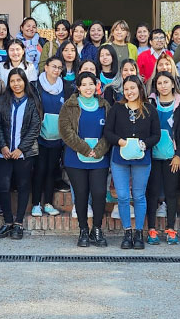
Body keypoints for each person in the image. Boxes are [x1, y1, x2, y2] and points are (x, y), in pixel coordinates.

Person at [104, 75, 161, 250]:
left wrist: (144, 144)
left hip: (142, 158)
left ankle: (138, 233)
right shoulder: (117, 108)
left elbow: (156, 135)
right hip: (120, 158)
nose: (130, 92)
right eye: (127, 89)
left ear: (140, 89)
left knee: (139, 196)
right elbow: (108, 131)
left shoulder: (150, 109)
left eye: (133, 88)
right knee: (122, 196)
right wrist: (121, 141)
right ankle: (127, 232)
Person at [59, 72, 112, 247]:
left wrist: (97, 150)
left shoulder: (105, 106)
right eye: (84, 84)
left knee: (98, 194)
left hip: (99, 159)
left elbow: (110, 132)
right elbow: (66, 132)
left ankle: (96, 229)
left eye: (91, 84)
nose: (88, 88)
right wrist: (84, 149)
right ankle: (83, 229)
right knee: (81, 194)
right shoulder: (69, 106)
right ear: (78, 87)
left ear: (96, 86)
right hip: (75, 159)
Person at [0, 68, 41, 240]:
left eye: (19, 80)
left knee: (23, 186)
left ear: (25, 81)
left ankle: (18, 223)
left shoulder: (33, 101)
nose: (16, 84)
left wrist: (21, 148)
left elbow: (35, 127)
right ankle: (7, 222)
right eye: (12, 81)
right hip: (3, 153)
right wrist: (3, 146)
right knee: (3, 186)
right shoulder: (2, 100)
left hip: (24, 153)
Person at [146, 72, 180, 245]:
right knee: (152, 193)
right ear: (155, 85)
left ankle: (171, 229)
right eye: (159, 83)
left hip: (172, 158)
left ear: (173, 84)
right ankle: (151, 229)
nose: (163, 86)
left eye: (166, 82)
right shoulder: (150, 103)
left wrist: (179, 155)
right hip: (152, 157)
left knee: (171, 193)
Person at [32, 57, 69, 218]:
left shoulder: (66, 87)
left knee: (50, 170)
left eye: (59, 67)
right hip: (39, 136)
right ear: (45, 67)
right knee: (39, 170)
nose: (56, 70)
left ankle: (47, 203)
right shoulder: (35, 85)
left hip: (57, 137)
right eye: (53, 66)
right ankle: (35, 204)